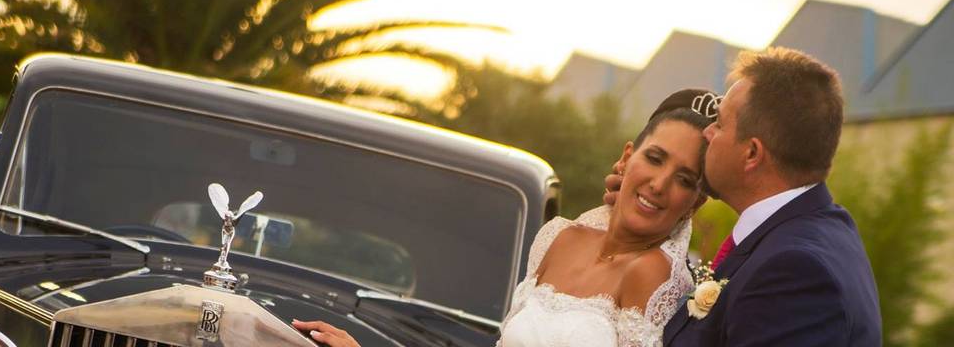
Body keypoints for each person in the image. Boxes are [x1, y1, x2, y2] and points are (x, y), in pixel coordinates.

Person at [292, 88, 721, 347]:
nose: (660, 184)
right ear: (628, 157)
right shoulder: (560, 238)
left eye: (684, 178)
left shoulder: (654, 275)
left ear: (695, 203)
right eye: (654, 158)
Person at [605, 47, 881, 346]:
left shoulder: (795, 273)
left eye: (720, 124)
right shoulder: (816, 230)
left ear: (751, 154)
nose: (707, 133)